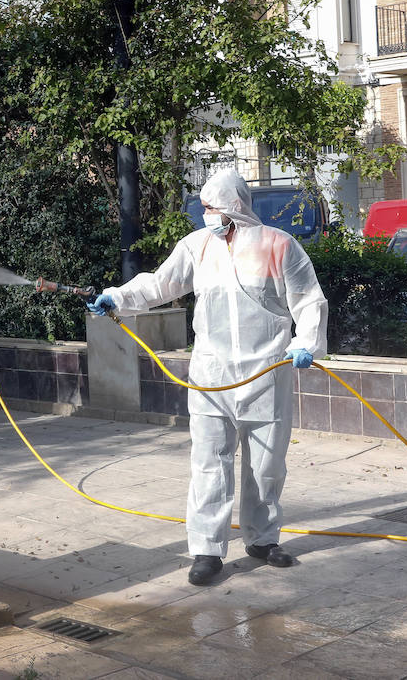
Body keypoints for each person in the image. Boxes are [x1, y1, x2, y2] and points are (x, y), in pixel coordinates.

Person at [87, 169, 327, 586]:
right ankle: (206, 549)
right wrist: (118, 298)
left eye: (210, 206)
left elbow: (308, 298)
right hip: (212, 376)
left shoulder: (278, 245)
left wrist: (306, 342)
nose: (204, 212)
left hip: (266, 372)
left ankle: (262, 539)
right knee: (209, 465)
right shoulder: (196, 247)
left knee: (266, 466)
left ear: (233, 207)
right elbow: (159, 285)